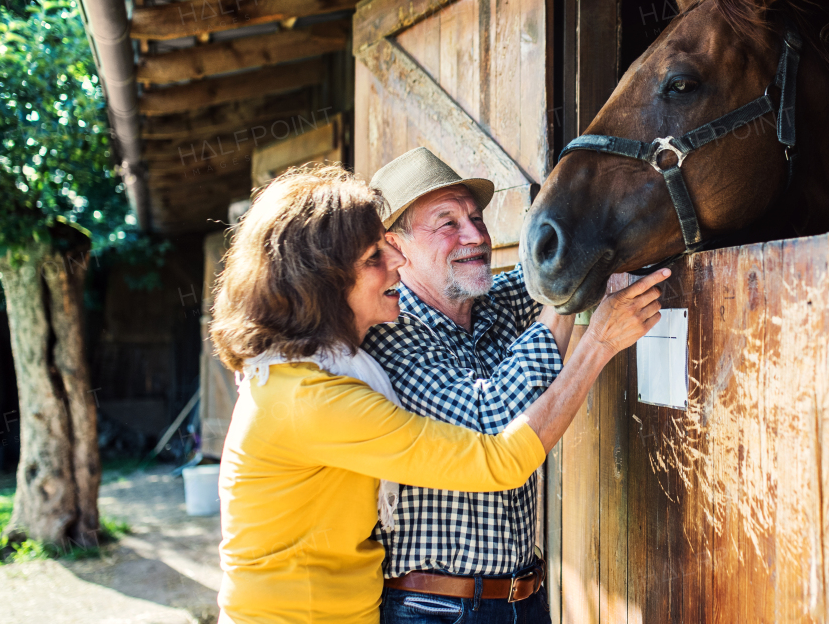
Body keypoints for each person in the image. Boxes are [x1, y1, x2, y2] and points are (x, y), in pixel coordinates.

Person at [210, 164, 669, 624]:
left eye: (475, 218)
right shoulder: (325, 392)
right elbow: (497, 452)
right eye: (376, 256)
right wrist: (596, 342)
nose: (395, 263)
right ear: (322, 279)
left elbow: (549, 270)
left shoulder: (336, 367)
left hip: (505, 598)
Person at [359, 148, 600, 623]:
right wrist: (567, 302)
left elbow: (552, 262)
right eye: (448, 223)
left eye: (476, 218)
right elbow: (491, 427)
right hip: (434, 609)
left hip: (525, 599)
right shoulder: (389, 332)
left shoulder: (490, 301)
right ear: (395, 246)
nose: (476, 236)